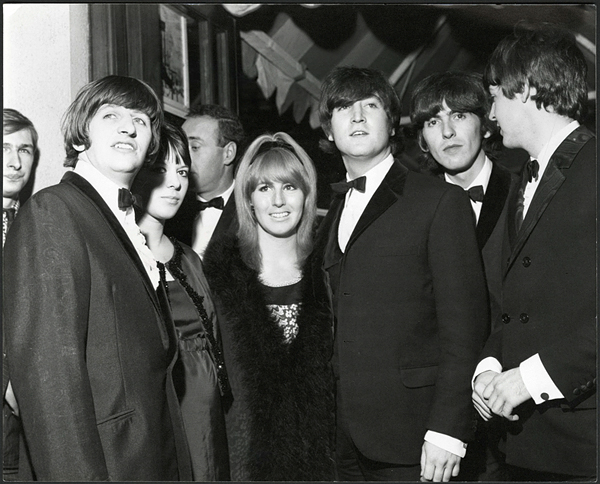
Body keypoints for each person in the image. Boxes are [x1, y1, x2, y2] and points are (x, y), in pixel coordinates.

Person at [3, 75, 191, 481]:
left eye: (141, 120)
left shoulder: (127, 224)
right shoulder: (53, 212)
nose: (129, 126)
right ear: (78, 138)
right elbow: (50, 386)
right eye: (111, 115)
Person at [313, 66, 488, 482]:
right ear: (330, 130)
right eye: (342, 107)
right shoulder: (328, 212)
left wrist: (448, 430)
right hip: (341, 439)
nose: (356, 117)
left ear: (392, 123)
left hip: (416, 437)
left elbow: (465, 326)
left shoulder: (440, 202)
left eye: (369, 105)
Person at [471, 24, 596, 481]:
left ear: (525, 89)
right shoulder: (524, 177)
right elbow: (516, 303)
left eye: (495, 97)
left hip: (585, 449)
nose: (490, 114)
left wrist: (531, 378)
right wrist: (489, 365)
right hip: (524, 447)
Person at [202, 132, 335, 481]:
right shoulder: (219, 279)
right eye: (264, 188)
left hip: (326, 461)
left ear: (307, 196)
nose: (278, 200)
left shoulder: (331, 271)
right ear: (248, 201)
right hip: (243, 461)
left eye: (289, 187)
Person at [410, 71, 514, 481]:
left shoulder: (526, 194)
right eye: (433, 121)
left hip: (511, 411)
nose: (448, 132)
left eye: (460, 116)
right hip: (435, 412)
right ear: (422, 137)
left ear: (486, 122)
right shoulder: (411, 206)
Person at [132, 121, 230, 480]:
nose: (175, 182)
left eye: (183, 171)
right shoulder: (120, 253)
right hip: (156, 414)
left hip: (205, 418)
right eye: (161, 169)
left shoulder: (189, 258)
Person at [3, 108, 38, 481]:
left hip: (26, 430)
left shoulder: (39, 227)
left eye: (25, 151)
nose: (14, 162)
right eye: (5, 148)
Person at [165, 104, 245, 259]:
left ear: (228, 153)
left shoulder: (253, 210)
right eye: (181, 147)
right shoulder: (168, 210)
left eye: (194, 147)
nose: (183, 158)